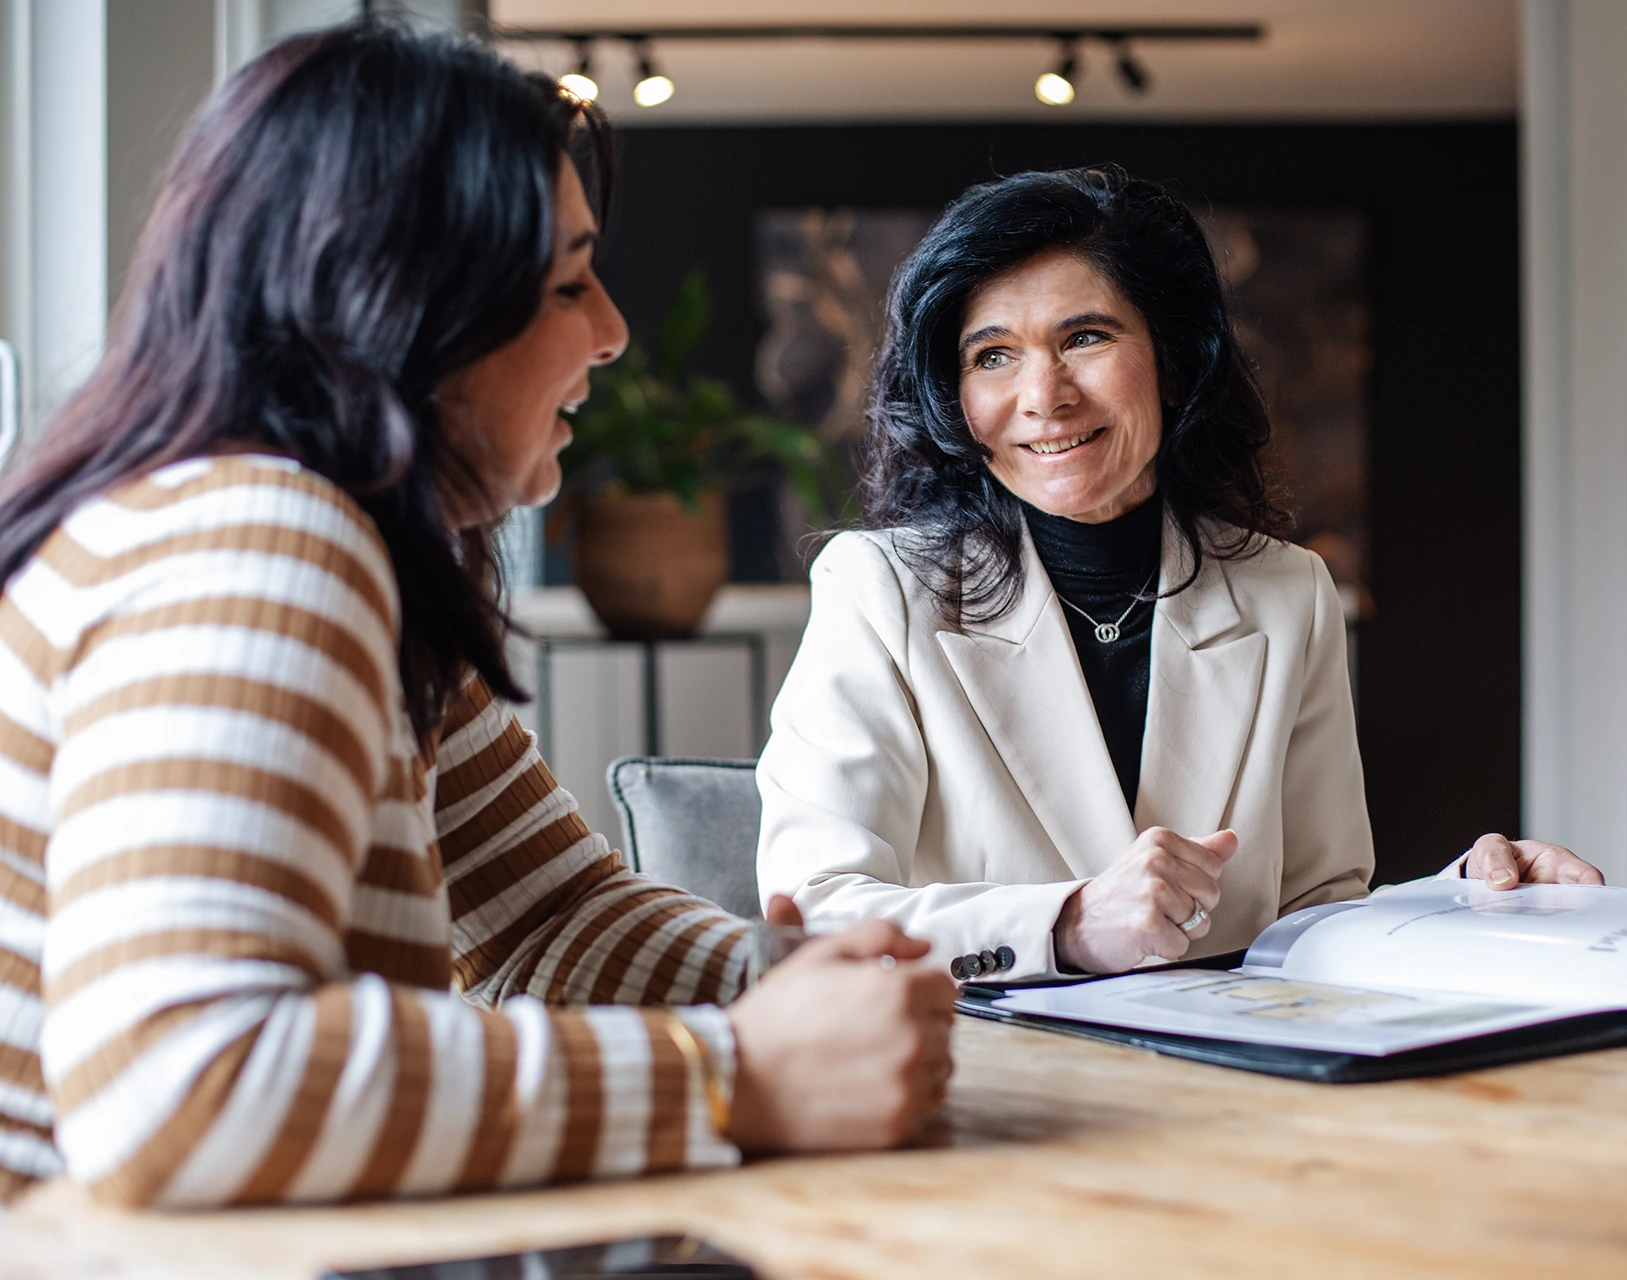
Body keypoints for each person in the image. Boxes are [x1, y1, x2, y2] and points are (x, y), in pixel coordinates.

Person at [0, 24, 952, 1211]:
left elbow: (545, 914)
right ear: (396, 309)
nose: (610, 331)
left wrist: (778, 972)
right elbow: (178, 1079)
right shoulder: (260, 541)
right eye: (566, 283)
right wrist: (733, 1071)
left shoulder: (345, 552)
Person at [756, 167, 1600, 980]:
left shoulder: (1289, 593)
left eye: (1084, 338)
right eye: (993, 356)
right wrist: (1069, 924)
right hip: (990, 1080)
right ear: (955, 394)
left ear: (1175, 355)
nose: (1044, 395)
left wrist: (1464, 902)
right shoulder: (879, 590)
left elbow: (1315, 912)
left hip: (1225, 1084)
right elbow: (815, 909)